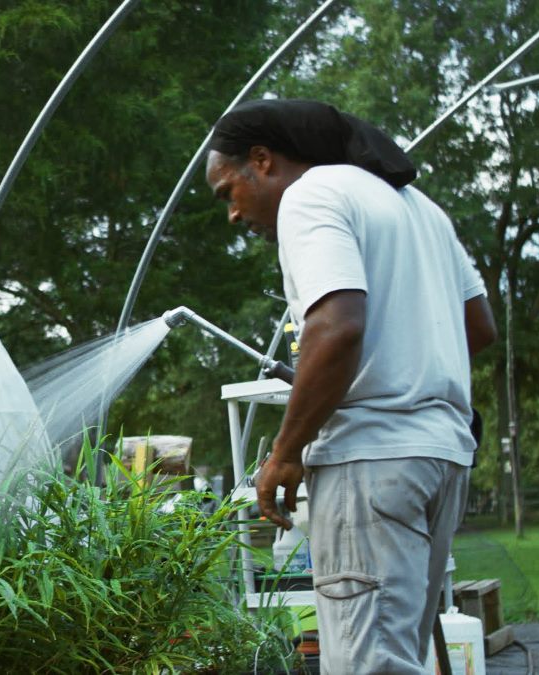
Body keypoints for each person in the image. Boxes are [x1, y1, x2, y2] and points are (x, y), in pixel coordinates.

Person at [205, 99, 497, 673]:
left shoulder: (311, 196)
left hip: (372, 464)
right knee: (399, 657)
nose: (233, 215)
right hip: (440, 457)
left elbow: (337, 327)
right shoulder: (420, 207)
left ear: (261, 161)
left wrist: (286, 453)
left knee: (367, 663)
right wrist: (398, 359)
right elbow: (479, 326)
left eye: (227, 193)